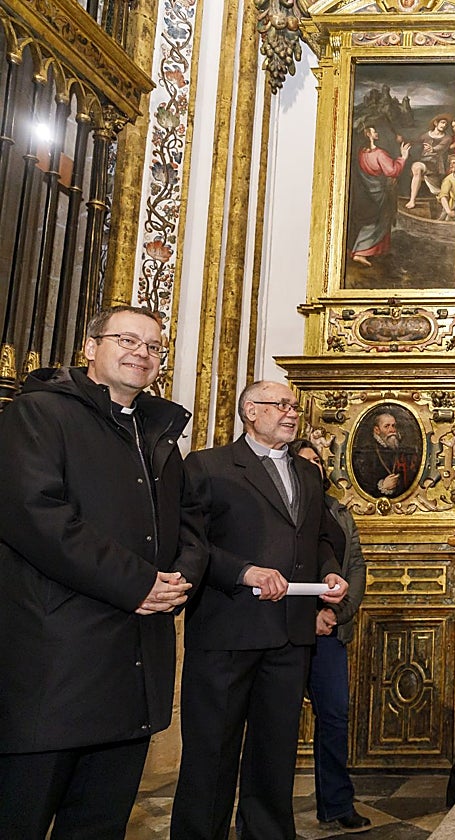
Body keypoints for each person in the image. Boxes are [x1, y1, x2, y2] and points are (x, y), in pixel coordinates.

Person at [0, 305, 198, 839]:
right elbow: (36, 516)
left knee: (98, 827)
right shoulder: (38, 414)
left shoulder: (156, 434)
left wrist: (179, 576)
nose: (141, 352)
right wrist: (137, 582)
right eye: (126, 340)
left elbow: (187, 524)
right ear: (90, 348)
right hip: (57, 668)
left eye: (153, 346)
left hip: (131, 670)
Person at [171, 380, 348, 840]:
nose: (292, 413)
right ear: (251, 410)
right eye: (281, 405)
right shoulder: (208, 466)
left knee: (275, 753)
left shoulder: (309, 475)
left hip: (290, 635)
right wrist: (244, 571)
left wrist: (328, 571)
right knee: (212, 753)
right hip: (228, 630)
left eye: (295, 406)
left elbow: (322, 538)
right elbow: (188, 539)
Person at [290, 439, 371, 832]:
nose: (314, 467)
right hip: (287, 629)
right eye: (305, 462)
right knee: (278, 719)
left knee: (335, 717)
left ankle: (337, 803)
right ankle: (265, 809)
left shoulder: (338, 512)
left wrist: (334, 613)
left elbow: (354, 565)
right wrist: (307, 617)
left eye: (318, 462)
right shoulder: (284, 507)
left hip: (330, 631)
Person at [348, 125, 412, 267]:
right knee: (378, 222)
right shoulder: (379, 154)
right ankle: (360, 252)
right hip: (380, 193)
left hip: (369, 191)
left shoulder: (362, 153)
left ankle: (377, 250)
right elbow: (392, 171)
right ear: (368, 135)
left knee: (380, 221)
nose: (376, 132)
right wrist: (403, 157)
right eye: (373, 131)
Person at [353, 410, 420, 498]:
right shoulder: (365, 454)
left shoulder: (402, 450)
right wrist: (383, 486)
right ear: (377, 430)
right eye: (386, 426)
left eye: (393, 426)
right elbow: (363, 482)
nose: (392, 430)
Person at [406, 114, 454, 209]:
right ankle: (412, 200)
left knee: (437, 192)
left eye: (446, 123)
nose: (444, 125)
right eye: (442, 122)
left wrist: (432, 149)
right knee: (416, 167)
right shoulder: (426, 135)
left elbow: (441, 148)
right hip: (423, 162)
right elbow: (415, 142)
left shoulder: (447, 138)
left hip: (435, 165)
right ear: (436, 123)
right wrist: (403, 140)